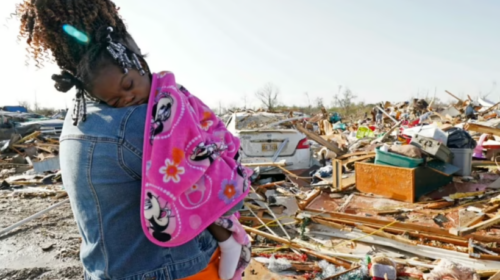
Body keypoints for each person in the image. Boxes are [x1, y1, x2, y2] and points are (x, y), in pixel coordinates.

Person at [15, 1, 246, 279]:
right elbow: (220, 193)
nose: (127, 98)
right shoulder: (147, 122)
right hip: (170, 270)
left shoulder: (77, 119)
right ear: (126, 50)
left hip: (106, 268)